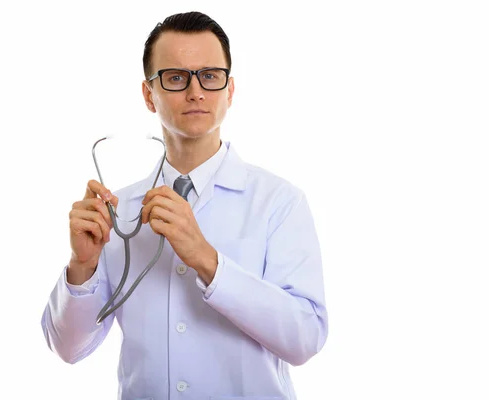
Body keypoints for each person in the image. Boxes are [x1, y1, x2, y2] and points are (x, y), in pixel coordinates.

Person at [41, 11, 328, 400]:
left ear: (229, 90)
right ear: (148, 95)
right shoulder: (116, 210)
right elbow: (68, 348)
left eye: (210, 76)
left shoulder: (278, 201)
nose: (196, 92)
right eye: (176, 78)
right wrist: (82, 267)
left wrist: (207, 260)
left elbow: (305, 339)